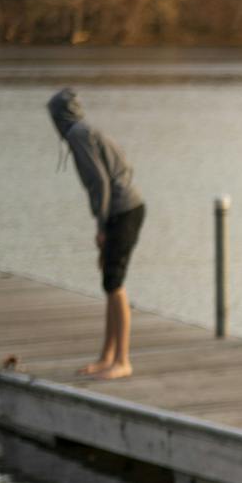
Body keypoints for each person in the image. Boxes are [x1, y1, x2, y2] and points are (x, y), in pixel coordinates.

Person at [47, 88, 145, 380]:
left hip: (123, 212)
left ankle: (123, 361)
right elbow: (124, 166)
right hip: (124, 209)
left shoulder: (78, 134)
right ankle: (107, 357)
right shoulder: (87, 130)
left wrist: (102, 226)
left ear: (61, 115)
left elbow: (101, 183)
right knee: (109, 283)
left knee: (114, 283)